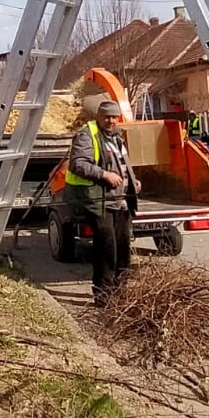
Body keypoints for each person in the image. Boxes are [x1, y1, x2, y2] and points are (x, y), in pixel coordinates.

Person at [63, 98, 139, 306]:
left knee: (123, 247)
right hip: (99, 200)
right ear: (99, 116)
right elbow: (78, 164)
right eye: (107, 117)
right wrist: (104, 174)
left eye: (115, 117)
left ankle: (121, 292)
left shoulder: (116, 137)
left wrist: (132, 182)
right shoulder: (87, 135)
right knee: (107, 248)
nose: (111, 120)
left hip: (120, 200)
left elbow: (122, 164)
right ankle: (104, 296)